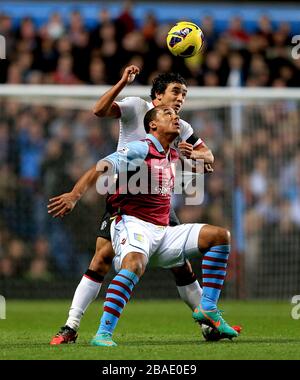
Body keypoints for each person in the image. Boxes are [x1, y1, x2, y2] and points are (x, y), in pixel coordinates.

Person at [49, 66, 239, 344]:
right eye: (176, 92)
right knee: (105, 260)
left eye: (184, 94)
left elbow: (207, 160)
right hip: (126, 200)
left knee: (183, 265)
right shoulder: (137, 108)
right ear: (158, 96)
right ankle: (72, 326)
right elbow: (99, 111)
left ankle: (209, 321)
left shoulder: (180, 127)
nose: (180, 99)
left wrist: (194, 156)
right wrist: (122, 81)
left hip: (158, 204)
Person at [88, 105, 239, 346]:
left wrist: (197, 159)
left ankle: (208, 307)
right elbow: (104, 164)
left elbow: (204, 167)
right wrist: (74, 196)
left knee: (220, 236)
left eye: (176, 113)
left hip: (163, 232)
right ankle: (103, 333)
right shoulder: (140, 147)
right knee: (133, 264)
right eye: (168, 114)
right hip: (133, 224)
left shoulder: (172, 154)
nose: (175, 116)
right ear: (153, 125)